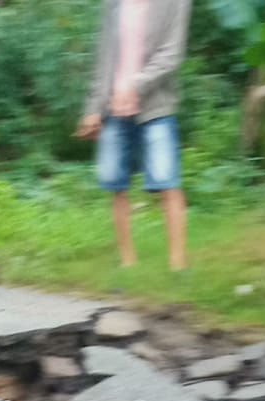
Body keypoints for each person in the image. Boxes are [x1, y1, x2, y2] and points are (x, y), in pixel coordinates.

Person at [75, 0, 191, 272]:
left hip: (156, 106)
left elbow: (172, 55)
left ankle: (178, 265)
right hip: (113, 108)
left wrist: (135, 85)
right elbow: (104, 59)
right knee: (116, 186)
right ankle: (128, 263)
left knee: (168, 182)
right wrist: (93, 108)